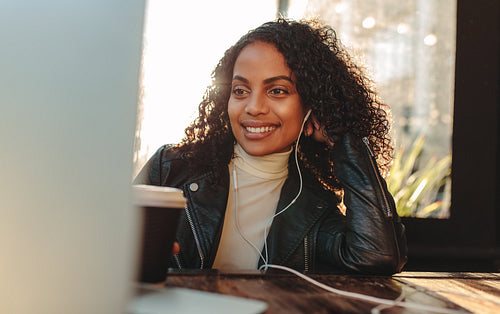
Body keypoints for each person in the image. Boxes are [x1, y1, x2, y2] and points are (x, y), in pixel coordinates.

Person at [135, 18, 407, 274]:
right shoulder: (170, 168)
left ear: (313, 104)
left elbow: (377, 255)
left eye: (277, 90)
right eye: (240, 91)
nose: (253, 108)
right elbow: (106, 243)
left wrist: (344, 139)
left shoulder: (315, 207)